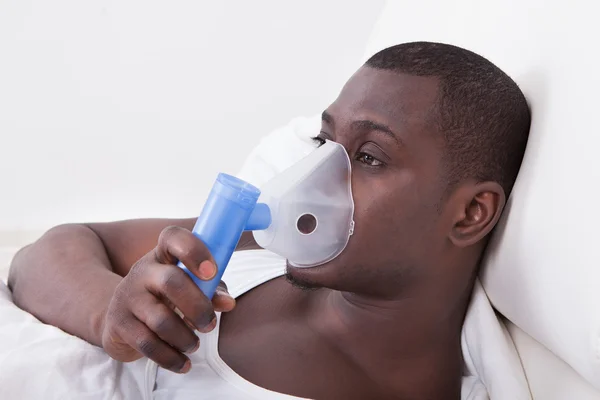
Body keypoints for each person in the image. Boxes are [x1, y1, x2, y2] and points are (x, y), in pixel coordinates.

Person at [8, 41, 530, 399]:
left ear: (469, 214)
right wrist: (110, 315)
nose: (314, 176)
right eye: (324, 143)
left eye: (369, 157)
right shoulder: (250, 249)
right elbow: (48, 252)